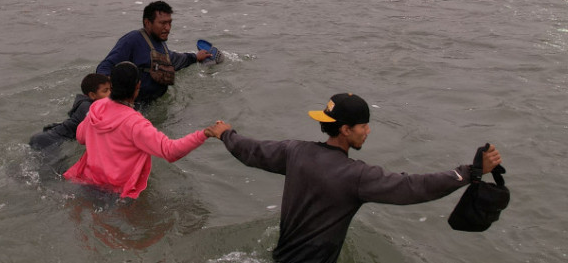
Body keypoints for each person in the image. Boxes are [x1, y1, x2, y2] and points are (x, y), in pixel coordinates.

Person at [213, 93, 503, 263]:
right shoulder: (357, 177)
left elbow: (250, 151)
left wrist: (226, 133)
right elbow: (413, 188)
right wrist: (469, 172)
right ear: (345, 130)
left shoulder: (294, 152)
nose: (368, 131)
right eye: (364, 126)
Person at [64, 62, 227, 199]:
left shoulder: (96, 107)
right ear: (138, 86)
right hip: (116, 193)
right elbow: (170, 151)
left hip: (87, 183)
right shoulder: (135, 123)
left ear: (112, 85)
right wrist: (205, 133)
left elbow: (81, 137)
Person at [95, 1, 210, 106]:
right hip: (133, 106)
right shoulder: (132, 40)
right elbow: (104, 67)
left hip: (153, 105)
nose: (168, 28)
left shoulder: (161, 45)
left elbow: (174, 60)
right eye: (163, 23)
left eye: (170, 23)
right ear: (147, 23)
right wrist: (112, 100)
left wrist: (195, 57)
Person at [29, 73, 111, 150]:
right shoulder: (86, 106)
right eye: (105, 91)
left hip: (49, 137)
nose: (110, 93)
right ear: (92, 95)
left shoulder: (86, 103)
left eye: (110, 89)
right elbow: (99, 128)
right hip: (49, 140)